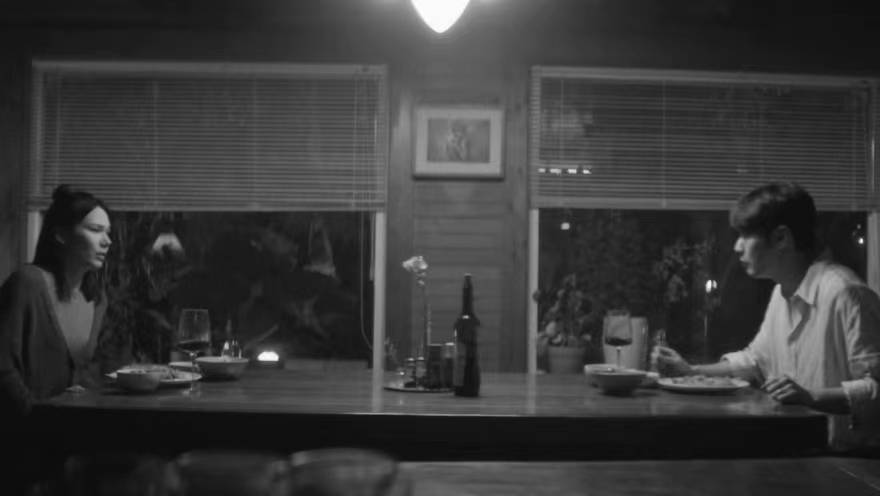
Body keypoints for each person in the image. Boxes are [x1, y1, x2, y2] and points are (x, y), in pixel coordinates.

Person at [654, 182, 880, 452]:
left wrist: (811, 397)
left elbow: (875, 388)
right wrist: (690, 372)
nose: (737, 247)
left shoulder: (845, 293)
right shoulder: (781, 293)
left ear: (781, 238)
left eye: (745, 235)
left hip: (850, 460)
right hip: (800, 450)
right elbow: (755, 362)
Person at [0, 184, 113, 417]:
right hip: (24, 428)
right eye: (95, 230)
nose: (107, 241)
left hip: (72, 425)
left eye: (108, 232)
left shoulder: (96, 298)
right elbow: (3, 368)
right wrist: (36, 416)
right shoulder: (27, 284)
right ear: (61, 235)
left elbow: (87, 373)